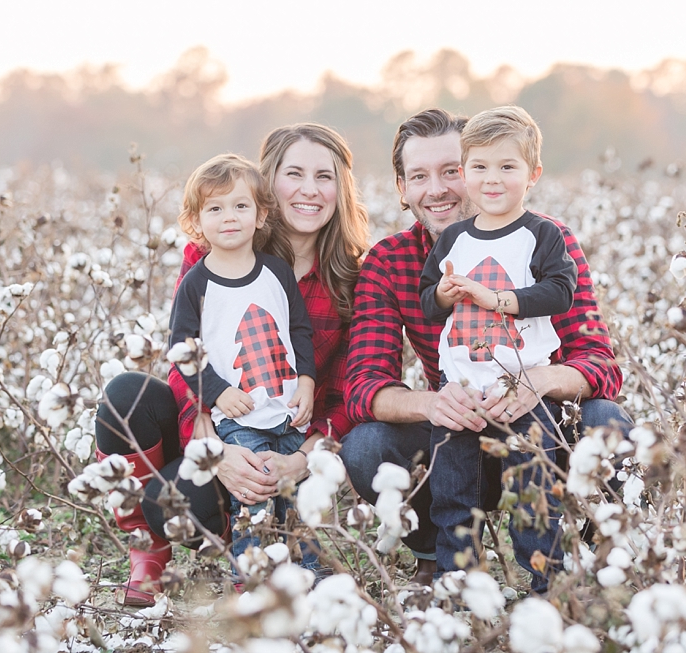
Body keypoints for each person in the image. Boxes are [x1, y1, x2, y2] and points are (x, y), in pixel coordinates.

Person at [342, 107, 630, 589]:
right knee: (366, 446)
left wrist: (540, 381)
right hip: (456, 429)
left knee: (608, 423)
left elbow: (599, 362)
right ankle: (439, 555)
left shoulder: (545, 239)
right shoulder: (391, 260)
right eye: (419, 176)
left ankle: (580, 565)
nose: (438, 189)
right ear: (402, 188)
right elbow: (363, 386)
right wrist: (433, 403)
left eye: (452, 170)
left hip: (539, 427)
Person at [95, 123, 369, 606]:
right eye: (294, 174)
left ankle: (288, 563)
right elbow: (185, 358)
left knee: (282, 505)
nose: (309, 189)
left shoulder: (352, 280)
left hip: (291, 434)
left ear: (340, 190)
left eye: (324, 176)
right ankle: (149, 548)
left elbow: (349, 394)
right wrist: (215, 449)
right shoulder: (212, 259)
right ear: (269, 186)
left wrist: (301, 460)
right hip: (223, 430)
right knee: (127, 395)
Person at [418, 105, 576, 587]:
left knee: (534, 485)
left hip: (523, 384)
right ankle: (458, 576)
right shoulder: (453, 238)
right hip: (461, 385)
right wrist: (443, 295)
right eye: (480, 167)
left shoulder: (541, 234)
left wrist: (500, 300)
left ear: (533, 175)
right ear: (464, 174)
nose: (492, 179)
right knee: (452, 486)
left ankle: (543, 583)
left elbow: (561, 290)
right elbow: (428, 300)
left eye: (508, 167)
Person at [168, 153, 315, 563]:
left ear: (261, 214)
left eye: (240, 206)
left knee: (299, 501)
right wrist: (215, 393)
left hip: (287, 409)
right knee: (253, 495)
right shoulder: (196, 282)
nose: (228, 217)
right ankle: (252, 577)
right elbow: (182, 349)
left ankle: (310, 574)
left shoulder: (276, 272)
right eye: (215, 208)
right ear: (196, 222)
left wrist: (306, 380)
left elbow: (299, 329)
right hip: (238, 414)